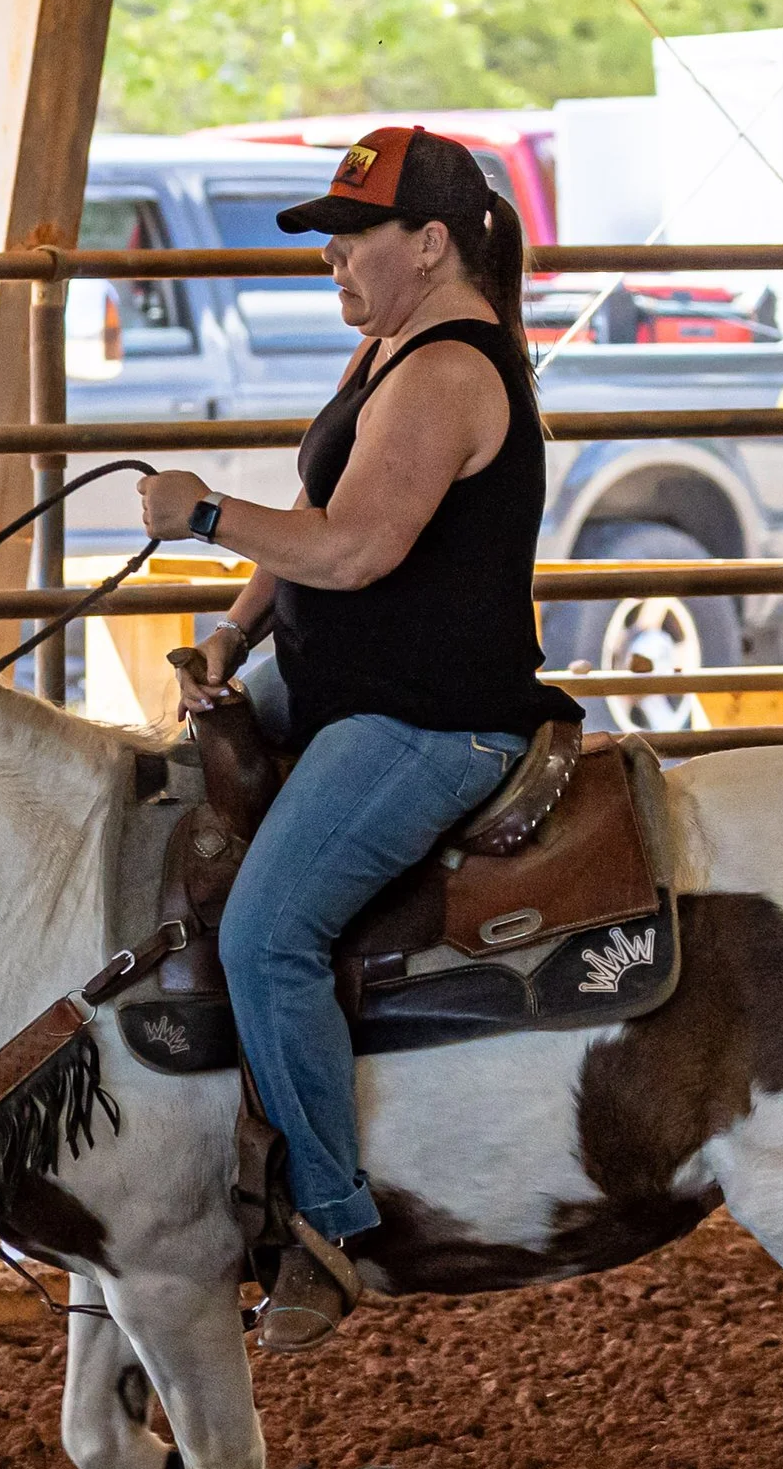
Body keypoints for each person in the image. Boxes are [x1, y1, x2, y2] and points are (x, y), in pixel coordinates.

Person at [137, 126, 583, 1352]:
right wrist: (233, 635)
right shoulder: (393, 347)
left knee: (271, 929)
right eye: (329, 238)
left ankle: (330, 1229)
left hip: (435, 716)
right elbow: (325, 530)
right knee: (148, 801)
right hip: (343, 682)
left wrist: (208, 515)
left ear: (429, 246)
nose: (331, 257)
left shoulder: (447, 373)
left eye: (352, 237)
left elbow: (352, 549)